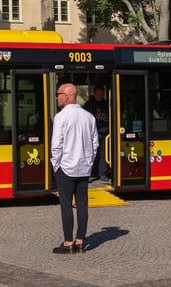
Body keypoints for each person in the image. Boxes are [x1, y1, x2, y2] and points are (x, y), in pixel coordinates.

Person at [50, 83, 99, 254]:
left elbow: (56, 145)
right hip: (84, 169)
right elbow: (95, 144)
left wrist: (56, 166)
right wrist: (89, 163)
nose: (56, 97)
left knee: (66, 206)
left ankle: (68, 242)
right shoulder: (89, 117)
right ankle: (80, 241)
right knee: (82, 206)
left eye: (58, 94)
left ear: (67, 96)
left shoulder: (61, 117)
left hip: (66, 168)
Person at [83, 85, 110, 181]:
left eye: (102, 94)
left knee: (104, 154)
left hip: (106, 134)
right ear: (94, 94)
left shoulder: (107, 104)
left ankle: (102, 173)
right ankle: (90, 173)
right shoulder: (89, 105)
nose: (100, 96)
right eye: (98, 94)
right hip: (93, 133)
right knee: (92, 154)